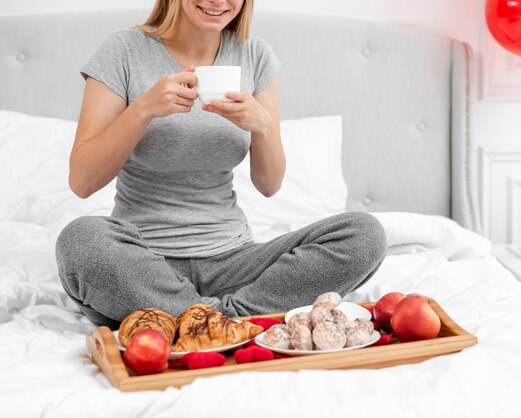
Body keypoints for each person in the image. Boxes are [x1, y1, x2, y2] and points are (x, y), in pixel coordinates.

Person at [55, 0, 387, 329]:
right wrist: (143, 109)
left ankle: (205, 320)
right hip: (143, 265)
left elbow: (269, 185)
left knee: (364, 234)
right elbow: (82, 182)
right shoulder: (123, 50)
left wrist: (263, 125)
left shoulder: (255, 55)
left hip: (234, 263)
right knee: (81, 240)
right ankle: (236, 319)